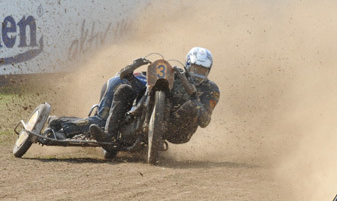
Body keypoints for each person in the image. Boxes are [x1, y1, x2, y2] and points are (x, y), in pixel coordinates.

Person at [53, 48, 220, 145]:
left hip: (178, 131)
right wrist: (132, 67)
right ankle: (107, 134)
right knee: (124, 90)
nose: (198, 75)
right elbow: (130, 78)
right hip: (145, 114)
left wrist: (194, 100)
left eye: (203, 71)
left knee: (192, 106)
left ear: (209, 71)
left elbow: (205, 121)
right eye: (196, 69)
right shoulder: (173, 76)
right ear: (188, 65)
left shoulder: (211, 90)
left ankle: (61, 125)